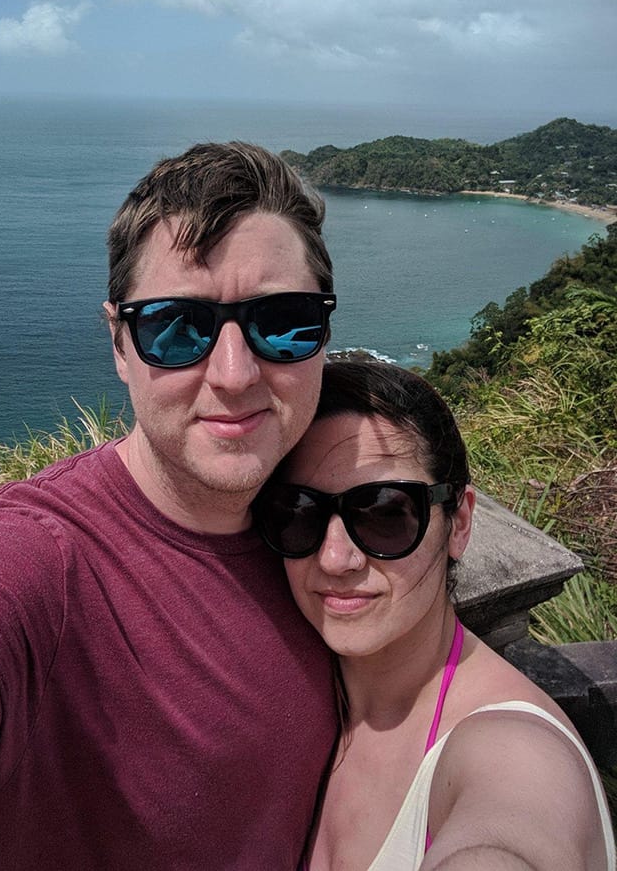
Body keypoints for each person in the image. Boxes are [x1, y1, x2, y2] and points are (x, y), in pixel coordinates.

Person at [0, 142, 339, 870]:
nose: (234, 373)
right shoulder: (36, 557)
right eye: (176, 327)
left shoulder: (339, 538)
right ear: (120, 343)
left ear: (325, 333)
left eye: (283, 319)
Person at [253, 360, 616, 871]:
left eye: (384, 512)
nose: (336, 559)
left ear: (459, 522)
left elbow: (511, 838)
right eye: (298, 512)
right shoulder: (312, 709)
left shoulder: (515, 752)